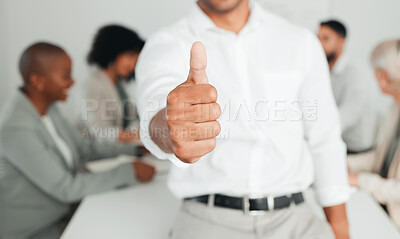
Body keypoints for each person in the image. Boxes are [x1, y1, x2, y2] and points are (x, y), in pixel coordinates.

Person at [136, 0, 351, 238]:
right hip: (206, 219)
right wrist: (170, 128)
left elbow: (325, 138)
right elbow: (155, 108)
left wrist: (339, 226)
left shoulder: (301, 42)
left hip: (294, 217)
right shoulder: (166, 43)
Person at [0, 42, 155, 239]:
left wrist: (136, 151)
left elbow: (85, 149)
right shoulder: (16, 127)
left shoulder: (48, 108)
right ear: (38, 80)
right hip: (36, 230)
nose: (73, 82)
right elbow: (65, 187)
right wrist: (128, 171)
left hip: (66, 214)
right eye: (66, 76)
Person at [348, 39, 400, 228]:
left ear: (382, 76)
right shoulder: (394, 108)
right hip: (381, 206)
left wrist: (360, 180)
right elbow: (381, 156)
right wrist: (348, 164)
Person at [318, 20, 378, 154]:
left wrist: (314, 130)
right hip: (333, 141)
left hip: (355, 150)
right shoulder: (324, 71)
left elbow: (348, 115)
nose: (319, 44)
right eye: (318, 38)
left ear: (341, 41)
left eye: (326, 39)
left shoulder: (356, 73)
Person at [82, 25, 144, 143]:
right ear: (113, 50)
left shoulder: (121, 85)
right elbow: (99, 131)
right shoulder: (92, 85)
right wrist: (134, 136)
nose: (132, 64)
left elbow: (133, 118)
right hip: (98, 153)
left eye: (136, 59)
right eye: (130, 55)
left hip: (122, 150)